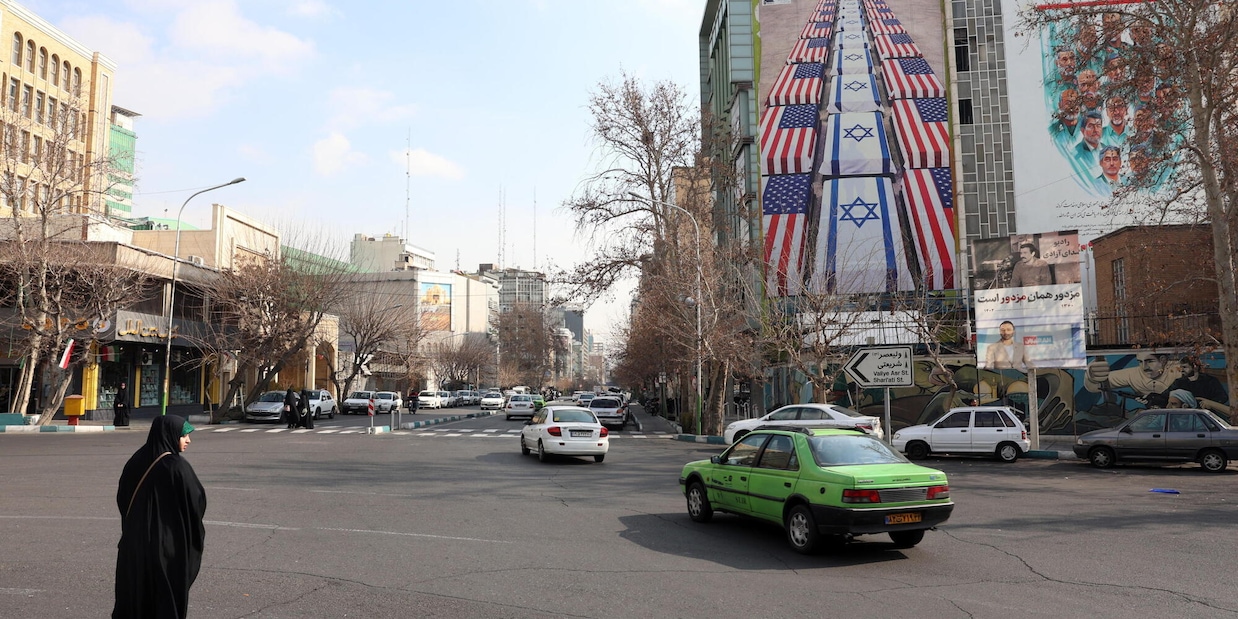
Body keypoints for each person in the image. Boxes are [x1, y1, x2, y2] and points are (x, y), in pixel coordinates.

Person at [113, 414, 206, 619]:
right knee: (163, 599)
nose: (188, 440)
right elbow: (196, 502)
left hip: (133, 545)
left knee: (135, 596)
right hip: (164, 549)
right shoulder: (176, 466)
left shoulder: (136, 460)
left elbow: (122, 498)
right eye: (183, 436)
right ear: (171, 435)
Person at [1083, 352, 1182, 406]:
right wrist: (1091, 375)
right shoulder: (1133, 374)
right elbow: (1095, 387)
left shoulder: (1178, 370)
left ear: (1163, 360)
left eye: (1149, 361)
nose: (1144, 367)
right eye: (1140, 362)